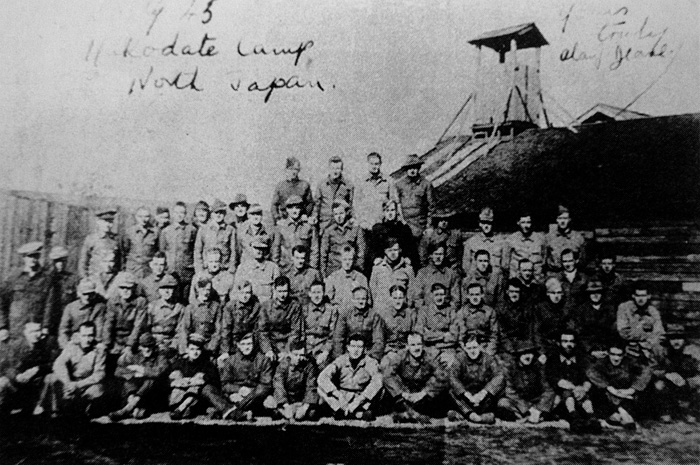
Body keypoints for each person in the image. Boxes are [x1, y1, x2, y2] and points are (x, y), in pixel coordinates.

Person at [37, 321, 106, 418]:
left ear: (94, 336)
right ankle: (54, 412)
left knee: (98, 389)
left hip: (86, 384)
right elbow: (58, 364)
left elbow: (99, 375)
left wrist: (77, 385)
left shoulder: (99, 350)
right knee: (50, 377)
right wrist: (67, 382)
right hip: (70, 382)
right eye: (84, 335)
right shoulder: (72, 346)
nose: (87, 339)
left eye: (90, 335)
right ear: (79, 335)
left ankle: (86, 415)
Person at [587, 337, 652, 429]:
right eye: (613, 354)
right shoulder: (601, 363)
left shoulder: (630, 362)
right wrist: (610, 388)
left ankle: (620, 417)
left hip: (626, 396)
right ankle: (617, 416)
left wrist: (633, 389)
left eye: (619, 355)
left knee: (630, 417)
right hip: (608, 397)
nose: (616, 358)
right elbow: (590, 372)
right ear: (608, 353)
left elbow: (646, 371)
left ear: (624, 354)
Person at [318, 332, 383, 421]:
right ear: (348, 347)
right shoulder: (341, 360)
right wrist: (338, 395)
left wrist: (359, 400)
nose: (355, 350)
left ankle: (348, 413)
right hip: (343, 397)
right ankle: (344, 411)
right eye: (353, 346)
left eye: (359, 347)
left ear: (364, 349)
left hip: (361, 398)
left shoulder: (370, 362)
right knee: (320, 388)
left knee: (380, 389)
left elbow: (378, 381)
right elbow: (323, 377)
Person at [168, 333, 232, 420]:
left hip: (198, 398)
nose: (195, 352)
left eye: (198, 349)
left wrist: (201, 379)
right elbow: (169, 378)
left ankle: (181, 409)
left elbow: (214, 380)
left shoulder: (206, 364)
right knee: (177, 375)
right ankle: (181, 409)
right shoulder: (180, 363)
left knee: (198, 382)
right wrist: (183, 381)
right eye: (192, 349)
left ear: (201, 350)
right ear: (187, 350)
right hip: (180, 396)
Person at [384, 332, 444, 423]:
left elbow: (442, 376)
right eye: (413, 345)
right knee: (390, 379)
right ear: (407, 346)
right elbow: (387, 375)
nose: (416, 348)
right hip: (405, 393)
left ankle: (410, 414)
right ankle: (411, 414)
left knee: (437, 381)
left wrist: (424, 393)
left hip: (423, 393)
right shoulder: (400, 356)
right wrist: (402, 393)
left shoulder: (430, 356)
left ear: (423, 345)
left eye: (419, 344)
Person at [545, 331, 598, 432]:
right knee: (566, 395)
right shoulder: (553, 360)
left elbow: (589, 377)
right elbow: (556, 380)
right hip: (561, 397)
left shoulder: (582, 359)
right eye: (565, 341)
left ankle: (591, 417)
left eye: (571, 341)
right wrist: (575, 388)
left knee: (586, 398)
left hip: (579, 395)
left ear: (575, 343)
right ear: (559, 343)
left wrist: (583, 389)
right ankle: (574, 418)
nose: (569, 345)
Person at [0, 321, 58, 415]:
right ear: (25, 333)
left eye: (38, 331)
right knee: (2, 382)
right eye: (31, 332)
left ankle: (41, 409)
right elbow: (7, 366)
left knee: (51, 378)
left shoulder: (47, 344)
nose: (35, 334)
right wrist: (17, 376)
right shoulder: (15, 346)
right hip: (18, 385)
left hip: (37, 387)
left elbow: (55, 363)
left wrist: (37, 369)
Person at [0, 241, 54, 341]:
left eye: (35, 256)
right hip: (15, 327)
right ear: (24, 257)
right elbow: (2, 301)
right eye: (29, 256)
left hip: (36, 327)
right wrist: (2, 326)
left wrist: (46, 326)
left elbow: (49, 304)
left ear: (39, 256)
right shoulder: (14, 277)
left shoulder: (46, 278)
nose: (33, 259)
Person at [109, 332, 169, 421]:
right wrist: (134, 374)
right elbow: (118, 372)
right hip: (135, 392)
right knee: (129, 380)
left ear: (154, 346)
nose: (147, 349)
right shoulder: (136, 356)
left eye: (150, 346)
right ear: (140, 347)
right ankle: (134, 407)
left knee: (150, 380)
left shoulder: (161, 357)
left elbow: (159, 372)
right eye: (144, 346)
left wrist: (141, 369)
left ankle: (128, 409)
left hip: (153, 394)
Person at [448, 335, 505, 424]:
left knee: (500, 387)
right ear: (464, 348)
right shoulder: (459, 358)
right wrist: (466, 394)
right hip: (467, 398)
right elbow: (452, 377)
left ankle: (466, 415)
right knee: (451, 391)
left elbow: (499, 376)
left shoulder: (489, 359)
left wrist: (484, 392)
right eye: (469, 348)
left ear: (480, 347)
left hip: (484, 398)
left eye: (475, 347)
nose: (472, 351)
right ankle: (474, 416)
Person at [354, 152, 397, 269]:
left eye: (377, 164)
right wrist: (362, 222)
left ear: (380, 164)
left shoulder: (388, 181)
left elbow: (394, 202)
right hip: (366, 228)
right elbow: (356, 205)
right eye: (372, 164)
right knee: (366, 257)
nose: (374, 166)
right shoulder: (361, 182)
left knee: (382, 257)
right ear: (368, 164)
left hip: (382, 228)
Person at [497, 340, 555, 423]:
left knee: (556, 399)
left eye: (530, 353)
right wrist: (528, 409)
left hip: (536, 402)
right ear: (518, 355)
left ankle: (537, 416)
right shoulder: (510, 369)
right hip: (520, 404)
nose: (527, 357)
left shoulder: (538, 368)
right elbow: (510, 392)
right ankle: (526, 417)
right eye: (523, 354)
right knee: (503, 403)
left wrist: (538, 409)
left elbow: (548, 390)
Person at [219, 332, 273, 421]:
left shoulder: (263, 360)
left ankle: (236, 410)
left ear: (254, 344)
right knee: (232, 397)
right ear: (238, 345)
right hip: (237, 393)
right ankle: (246, 411)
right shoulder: (231, 360)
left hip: (256, 394)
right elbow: (225, 384)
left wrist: (250, 392)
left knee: (266, 398)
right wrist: (239, 390)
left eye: (249, 344)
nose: (246, 347)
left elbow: (266, 384)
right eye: (243, 344)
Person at [654, 325, 700, 422]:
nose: (676, 342)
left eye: (679, 338)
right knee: (659, 385)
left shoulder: (694, 351)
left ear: (685, 339)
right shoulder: (660, 350)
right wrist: (666, 374)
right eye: (673, 338)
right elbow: (652, 368)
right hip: (668, 383)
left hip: (687, 386)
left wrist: (688, 382)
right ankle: (666, 411)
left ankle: (690, 411)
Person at [565, 280, 617, 359]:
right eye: (592, 293)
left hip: (609, 350)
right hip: (587, 351)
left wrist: (609, 349)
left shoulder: (611, 309)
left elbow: (615, 332)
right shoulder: (580, 311)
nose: (595, 295)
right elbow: (576, 333)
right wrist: (590, 350)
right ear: (588, 294)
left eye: (598, 292)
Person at [103, 272, 148, 364]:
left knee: (129, 361)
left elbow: (138, 326)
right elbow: (108, 324)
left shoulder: (140, 302)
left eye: (128, 288)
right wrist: (106, 344)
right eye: (122, 288)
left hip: (132, 339)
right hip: (116, 339)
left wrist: (129, 345)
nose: (125, 291)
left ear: (134, 288)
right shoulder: (113, 302)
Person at [257, 276, 304, 362]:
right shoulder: (266, 306)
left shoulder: (295, 306)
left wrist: (287, 351)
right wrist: (268, 350)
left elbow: (295, 331)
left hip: (288, 344)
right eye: (280, 291)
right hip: (271, 344)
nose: (282, 295)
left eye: (285, 291)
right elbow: (262, 331)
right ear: (274, 290)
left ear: (289, 291)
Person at [333, 286, 385, 362]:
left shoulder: (374, 316)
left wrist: (370, 358)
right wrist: (340, 358)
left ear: (367, 300)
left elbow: (378, 341)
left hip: (367, 355)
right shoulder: (345, 314)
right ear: (353, 300)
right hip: (348, 354)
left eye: (363, 299)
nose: (361, 302)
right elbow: (338, 338)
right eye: (358, 299)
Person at [271, 341, 319, 421]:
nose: (299, 358)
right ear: (289, 354)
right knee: (274, 409)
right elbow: (278, 386)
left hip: (302, 399)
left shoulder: (309, 366)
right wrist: (286, 406)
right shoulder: (283, 365)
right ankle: (283, 411)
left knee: (312, 414)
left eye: (302, 355)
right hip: (287, 399)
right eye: (296, 355)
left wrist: (305, 407)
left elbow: (311, 386)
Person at [415, 283, 460, 369]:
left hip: (448, 350)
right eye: (436, 295)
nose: (439, 298)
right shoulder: (424, 311)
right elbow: (421, 335)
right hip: (429, 350)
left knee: (452, 368)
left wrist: (430, 334)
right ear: (432, 295)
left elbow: (454, 337)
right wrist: (444, 335)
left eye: (442, 295)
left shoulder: (451, 311)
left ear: (445, 296)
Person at [138, 274, 183, 359]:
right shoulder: (152, 306)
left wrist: (173, 346)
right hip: (152, 344)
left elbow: (180, 331)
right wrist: (149, 343)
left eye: (170, 288)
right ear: (159, 290)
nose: (167, 291)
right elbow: (145, 328)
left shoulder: (179, 308)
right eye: (163, 288)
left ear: (174, 290)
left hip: (170, 345)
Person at [159, 201, 197, 301]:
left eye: (182, 212)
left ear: (185, 214)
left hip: (186, 273)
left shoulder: (192, 230)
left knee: (185, 300)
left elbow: (195, 251)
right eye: (176, 212)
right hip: (171, 272)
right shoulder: (166, 231)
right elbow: (162, 252)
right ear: (172, 214)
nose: (179, 215)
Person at [177, 278, 222, 356]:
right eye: (203, 289)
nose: (205, 293)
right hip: (193, 346)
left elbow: (218, 331)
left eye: (208, 290)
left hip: (208, 346)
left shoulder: (216, 307)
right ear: (197, 290)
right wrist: (184, 351)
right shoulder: (190, 307)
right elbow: (184, 330)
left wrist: (211, 348)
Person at [321, 199, 366, 277]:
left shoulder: (356, 229)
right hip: (333, 271)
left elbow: (361, 253)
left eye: (341, 213)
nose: (339, 217)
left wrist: (357, 271)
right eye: (336, 214)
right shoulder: (329, 231)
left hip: (351, 270)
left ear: (347, 213)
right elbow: (323, 255)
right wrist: (323, 275)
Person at [617, 283, 665, 355]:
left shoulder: (653, 311)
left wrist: (638, 331)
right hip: (628, 346)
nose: (640, 299)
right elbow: (624, 332)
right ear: (633, 296)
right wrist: (646, 332)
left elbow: (660, 332)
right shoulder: (624, 308)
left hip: (649, 347)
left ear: (648, 296)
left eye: (643, 295)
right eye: (638, 295)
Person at [370, 237, 414, 315]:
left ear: (400, 250)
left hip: (400, 313)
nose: (393, 253)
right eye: (390, 250)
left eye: (395, 250)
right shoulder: (377, 268)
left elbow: (412, 291)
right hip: (381, 313)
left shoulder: (407, 269)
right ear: (385, 251)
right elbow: (372, 291)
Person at [395, 154, 433, 243]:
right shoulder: (399, 185)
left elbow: (431, 207)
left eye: (415, 167)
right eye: (409, 168)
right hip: (405, 225)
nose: (412, 170)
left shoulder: (426, 184)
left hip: (421, 225)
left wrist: (428, 226)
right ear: (406, 169)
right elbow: (396, 204)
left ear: (419, 168)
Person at [220, 280, 262, 361]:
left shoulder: (256, 307)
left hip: (251, 345)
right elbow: (226, 330)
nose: (244, 296)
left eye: (247, 293)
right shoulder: (230, 307)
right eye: (242, 293)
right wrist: (225, 351)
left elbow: (258, 330)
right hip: (234, 345)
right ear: (237, 293)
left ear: (251, 293)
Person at [58, 279, 106, 349]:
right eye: (84, 294)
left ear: (94, 294)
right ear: (79, 293)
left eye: (90, 294)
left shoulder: (100, 307)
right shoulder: (71, 307)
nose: (87, 297)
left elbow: (99, 327)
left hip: (92, 342)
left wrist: (98, 343)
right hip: (74, 342)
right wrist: (66, 346)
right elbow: (63, 329)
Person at [412, 242, 461, 309]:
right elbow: (417, 297)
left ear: (444, 255)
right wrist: (424, 311)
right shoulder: (422, 273)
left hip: (446, 312)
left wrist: (448, 311)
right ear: (430, 255)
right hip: (427, 312)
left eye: (441, 254)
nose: (438, 257)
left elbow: (455, 299)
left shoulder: (450, 274)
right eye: (436, 254)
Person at [277, 195, 318, 275]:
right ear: (286, 209)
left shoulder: (309, 226)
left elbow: (314, 249)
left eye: (297, 208)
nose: (294, 211)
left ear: (302, 208)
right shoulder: (281, 227)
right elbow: (276, 250)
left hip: (304, 270)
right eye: (291, 208)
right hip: (286, 270)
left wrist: (312, 270)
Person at [495, 279, 536, 359]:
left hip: (524, 344)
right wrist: (511, 349)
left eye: (517, 292)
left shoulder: (526, 308)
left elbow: (530, 330)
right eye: (512, 291)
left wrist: (525, 347)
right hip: (506, 346)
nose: (514, 294)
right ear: (507, 292)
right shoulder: (500, 308)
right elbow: (501, 333)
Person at [194, 199, 238, 274]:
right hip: (207, 270)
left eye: (221, 212)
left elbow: (233, 251)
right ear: (211, 214)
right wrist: (199, 271)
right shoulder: (203, 229)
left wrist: (231, 269)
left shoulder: (230, 230)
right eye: (216, 212)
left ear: (225, 213)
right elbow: (197, 251)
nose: (218, 215)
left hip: (224, 269)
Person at [455, 282, 499, 356]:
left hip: (485, 347)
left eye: (477, 294)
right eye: (472, 295)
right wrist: (466, 349)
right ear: (468, 296)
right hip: (468, 347)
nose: (475, 297)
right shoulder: (462, 313)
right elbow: (459, 337)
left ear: (482, 295)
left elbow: (494, 335)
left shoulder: (490, 312)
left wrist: (489, 351)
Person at [370, 199, 417, 269]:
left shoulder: (403, 228)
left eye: (392, 210)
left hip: (400, 262)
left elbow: (410, 247)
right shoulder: (378, 229)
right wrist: (376, 258)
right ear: (384, 212)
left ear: (396, 211)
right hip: (383, 262)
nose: (390, 213)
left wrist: (408, 257)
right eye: (387, 210)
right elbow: (373, 248)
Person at [379, 285, 417, 369]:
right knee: (385, 366)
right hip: (389, 351)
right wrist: (388, 351)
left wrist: (407, 350)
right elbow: (380, 338)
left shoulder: (411, 314)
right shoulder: (384, 314)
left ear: (405, 298)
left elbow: (415, 336)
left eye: (400, 298)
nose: (397, 301)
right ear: (390, 298)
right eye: (395, 298)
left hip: (406, 350)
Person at [303, 281, 337, 371]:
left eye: (319, 292)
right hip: (306, 350)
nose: (316, 296)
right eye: (314, 292)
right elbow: (299, 332)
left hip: (322, 350)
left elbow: (333, 335)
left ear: (324, 293)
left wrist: (326, 352)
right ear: (310, 294)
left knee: (325, 369)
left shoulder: (331, 310)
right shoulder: (304, 310)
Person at [234, 238, 282, 304]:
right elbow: (235, 292)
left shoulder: (273, 268)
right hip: (248, 306)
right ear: (251, 248)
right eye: (256, 248)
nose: (259, 251)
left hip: (267, 306)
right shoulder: (242, 268)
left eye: (262, 248)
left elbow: (277, 292)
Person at [314, 155, 354, 233]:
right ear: (329, 169)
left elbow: (350, 205)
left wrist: (351, 219)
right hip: (325, 224)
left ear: (342, 169)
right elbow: (316, 205)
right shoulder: (321, 185)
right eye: (332, 168)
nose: (335, 171)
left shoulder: (348, 185)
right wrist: (314, 217)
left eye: (338, 168)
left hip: (341, 224)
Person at [325, 244, 370, 311]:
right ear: (341, 260)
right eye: (345, 259)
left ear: (354, 260)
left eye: (350, 259)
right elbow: (328, 301)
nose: (347, 262)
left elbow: (368, 301)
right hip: (338, 313)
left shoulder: (361, 278)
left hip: (356, 313)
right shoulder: (332, 278)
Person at [46, 246, 78, 337]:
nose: (60, 264)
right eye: (57, 261)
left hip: (67, 318)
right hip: (50, 319)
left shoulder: (72, 278)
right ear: (53, 262)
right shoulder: (47, 278)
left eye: (63, 261)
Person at [78, 208, 120, 278]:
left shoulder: (116, 239)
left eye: (110, 222)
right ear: (98, 222)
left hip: (111, 278)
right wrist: (85, 279)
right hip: (94, 277)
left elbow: (119, 261)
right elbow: (83, 261)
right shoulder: (91, 239)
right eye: (105, 221)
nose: (108, 225)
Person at [503, 212, 545, 281]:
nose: (526, 225)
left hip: (536, 279)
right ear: (518, 223)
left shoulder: (540, 239)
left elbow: (544, 259)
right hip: (517, 279)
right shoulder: (511, 239)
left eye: (528, 222)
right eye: (523, 222)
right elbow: (505, 265)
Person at [463, 207, 504, 276]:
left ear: (493, 224)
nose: (486, 226)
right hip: (476, 279)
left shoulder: (501, 242)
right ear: (479, 223)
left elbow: (505, 266)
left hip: (495, 279)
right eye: (484, 222)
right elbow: (466, 266)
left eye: (489, 223)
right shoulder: (471, 242)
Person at [271, 157, 314, 224]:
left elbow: (310, 203)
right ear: (286, 170)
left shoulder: (304, 185)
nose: (293, 172)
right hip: (285, 220)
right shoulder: (280, 186)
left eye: (296, 169)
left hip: (300, 221)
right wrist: (278, 218)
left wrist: (306, 214)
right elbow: (274, 205)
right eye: (291, 169)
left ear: (299, 170)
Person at [545, 205, 587, 273]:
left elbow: (583, 261)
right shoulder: (549, 238)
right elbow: (546, 259)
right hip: (555, 274)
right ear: (556, 220)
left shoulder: (578, 237)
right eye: (560, 218)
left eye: (565, 218)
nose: (562, 221)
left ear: (569, 219)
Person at [533, 277, 568, 354]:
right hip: (546, 346)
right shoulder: (540, 308)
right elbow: (536, 332)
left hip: (563, 345)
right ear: (547, 293)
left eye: (559, 293)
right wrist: (541, 352)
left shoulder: (565, 308)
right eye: (553, 293)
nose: (556, 296)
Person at [122, 207, 159, 279]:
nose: (143, 219)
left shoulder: (155, 232)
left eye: (146, 216)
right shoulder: (129, 232)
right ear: (135, 217)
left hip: (149, 270)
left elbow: (157, 250)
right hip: (133, 270)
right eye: (140, 216)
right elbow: (124, 251)